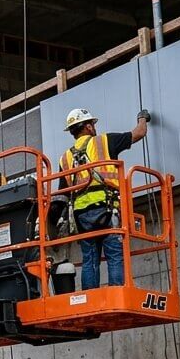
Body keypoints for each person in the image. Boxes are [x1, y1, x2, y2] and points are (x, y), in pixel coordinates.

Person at [58, 107, 150, 289]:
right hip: (106, 208)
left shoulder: (65, 158)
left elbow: (63, 193)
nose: (94, 127)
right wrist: (142, 118)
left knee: (89, 258)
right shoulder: (104, 142)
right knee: (114, 254)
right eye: (92, 124)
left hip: (81, 215)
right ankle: (116, 292)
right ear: (88, 127)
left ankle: (90, 296)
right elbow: (139, 133)